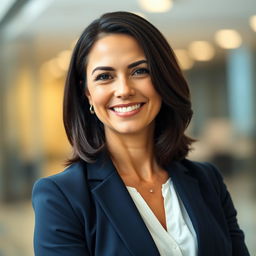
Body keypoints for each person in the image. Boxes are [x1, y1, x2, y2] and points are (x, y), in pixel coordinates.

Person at [32, 11, 250, 256]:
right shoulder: (61, 197)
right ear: (88, 94)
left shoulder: (207, 180)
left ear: (163, 80)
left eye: (139, 71)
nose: (124, 90)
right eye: (105, 77)